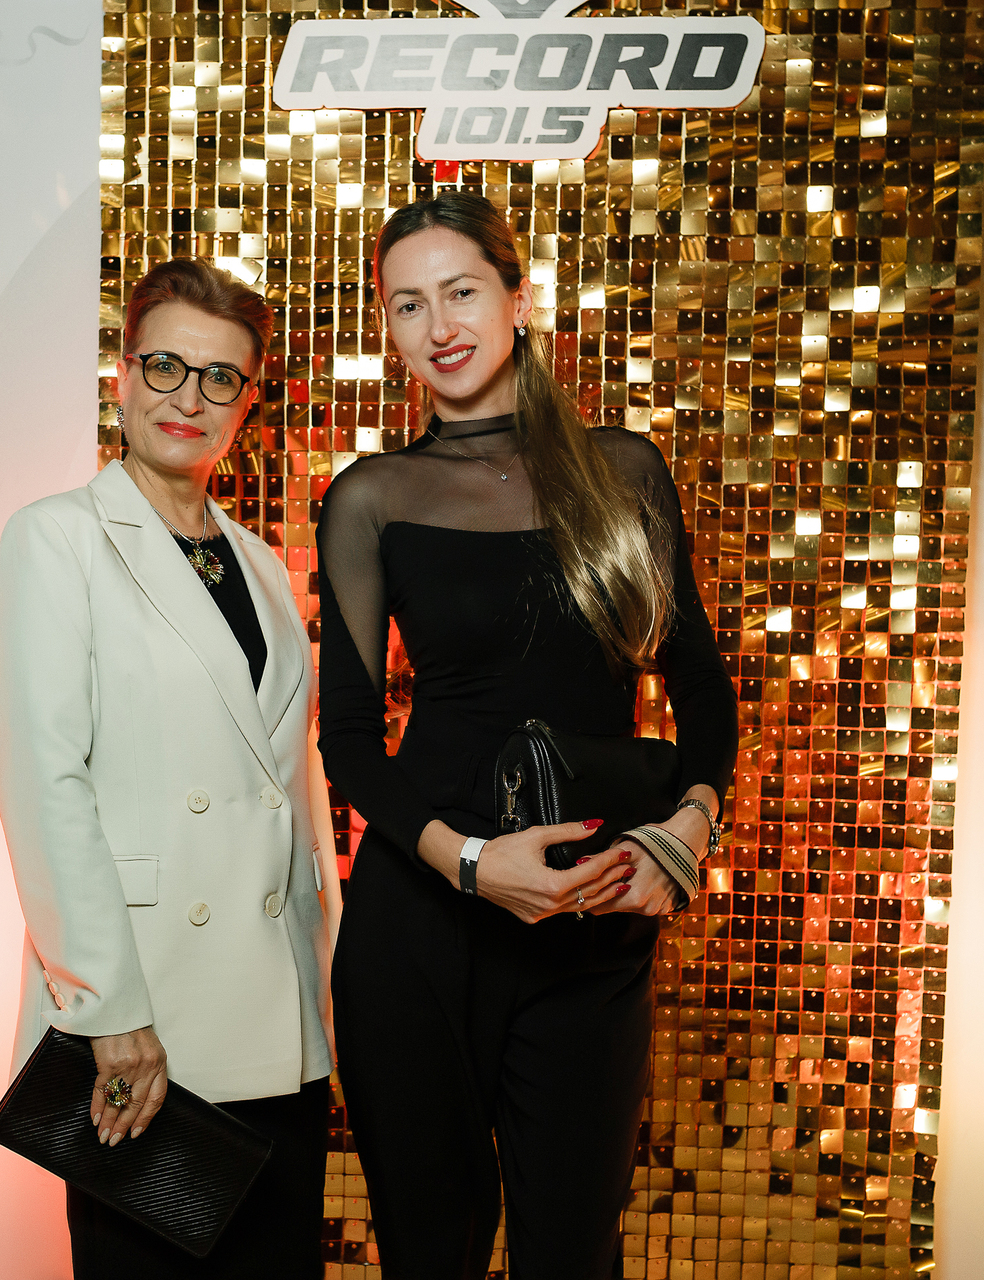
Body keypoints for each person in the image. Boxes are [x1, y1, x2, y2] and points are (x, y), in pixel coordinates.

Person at [317, 190, 740, 1278]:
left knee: (572, 1252)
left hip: (590, 927)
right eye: (408, 304)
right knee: (432, 1253)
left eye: (460, 291)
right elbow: (350, 739)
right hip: (419, 922)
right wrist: (468, 862)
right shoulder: (370, 497)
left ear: (518, 295)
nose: (439, 325)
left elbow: (699, 685)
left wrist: (685, 831)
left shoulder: (624, 471)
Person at [0, 259, 338, 1279]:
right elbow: (45, 783)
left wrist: (330, 990)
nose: (189, 397)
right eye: (166, 366)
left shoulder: (259, 562)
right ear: (124, 374)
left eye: (220, 377)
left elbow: (292, 792)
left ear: (248, 402)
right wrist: (107, 1008)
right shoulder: (56, 538)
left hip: (279, 1020)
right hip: (146, 1023)